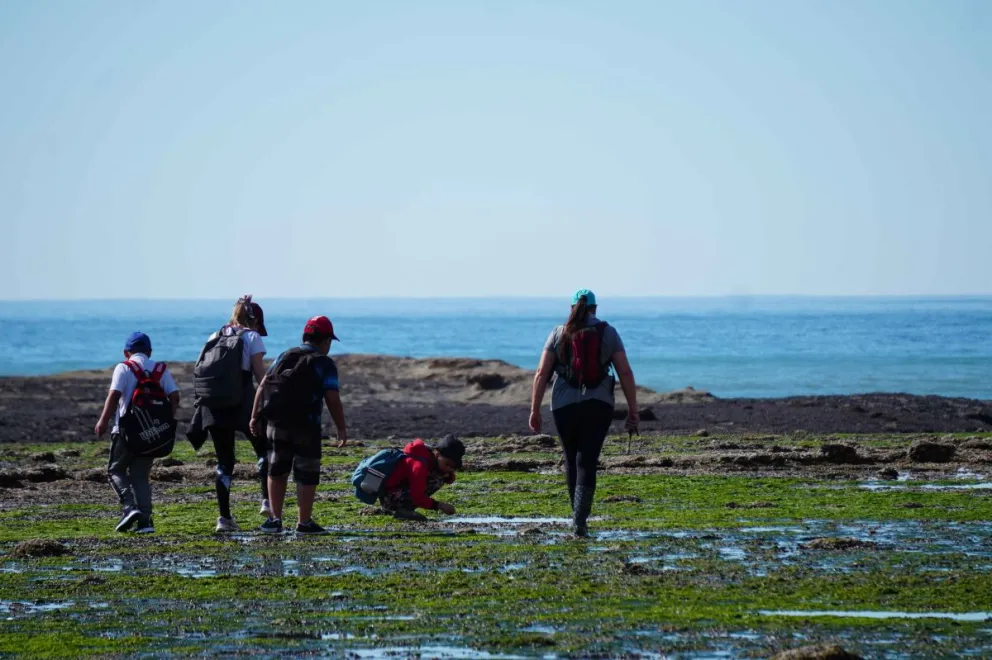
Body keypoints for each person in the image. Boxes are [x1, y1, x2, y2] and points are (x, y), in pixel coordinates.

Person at [529, 289, 638, 537]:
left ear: (571, 308)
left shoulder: (558, 333)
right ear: (595, 308)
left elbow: (541, 374)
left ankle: (576, 518)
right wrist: (633, 409)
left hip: (563, 405)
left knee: (570, 459)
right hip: (598, 403)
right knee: (587, 460)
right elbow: (625, 372)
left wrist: (535, 409)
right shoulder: (607, 332)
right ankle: (580, 521)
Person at [249, 315, 348, 535]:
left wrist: (254, 416)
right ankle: (304, 523)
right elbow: (332, 397)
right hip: (307, 425)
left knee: (276, 471)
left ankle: (275, 520)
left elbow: (263, 385)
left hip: (276, 422)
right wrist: (341, 427)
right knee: (307, 473)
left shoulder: (286, 355)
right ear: (325, 341)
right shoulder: (324, 363)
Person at [188, 295, 270, 533]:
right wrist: (269, 402)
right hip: (242, 402)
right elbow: (259, 377)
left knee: (225, 462)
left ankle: (224, 518)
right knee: (263, 450)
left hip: (213, 406)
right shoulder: (252, 337)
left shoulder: (214, 336)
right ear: (254, 321)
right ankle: (266, 500)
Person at [95, 332, 180, 534]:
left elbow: (114, 395)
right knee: (140, 477)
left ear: (126, 352)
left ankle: (129, 508)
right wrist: (167, 422)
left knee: (115, 471)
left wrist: (103, 420)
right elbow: (175, 396)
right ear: (149, 351)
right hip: (151, 434)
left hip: (125, 432)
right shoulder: (160, 370)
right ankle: (146, 522)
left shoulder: (123, 367)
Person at [379, 436, 463, 521]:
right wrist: (439, 505)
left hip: (395, 491)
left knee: (440, 477)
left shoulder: (429, 454)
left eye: (453, 467)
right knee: (437, 480)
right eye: (447, 464)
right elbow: (417, 497)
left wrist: (449, 475)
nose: (449, 468)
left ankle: (405, 509)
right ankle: (402, 510)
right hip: (389, 498)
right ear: (437, 454)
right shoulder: (419, 465)